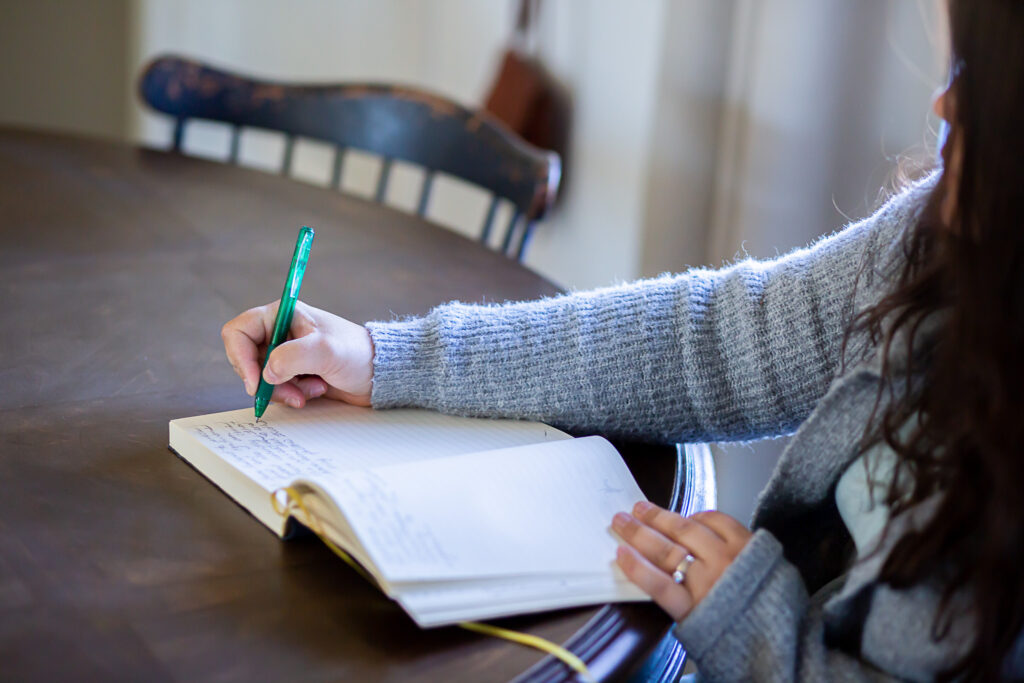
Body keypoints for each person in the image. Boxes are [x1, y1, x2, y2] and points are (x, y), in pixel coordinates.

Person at [221, 0, 1023, 678]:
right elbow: (704, 342)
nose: (943, 108)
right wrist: (385, 357)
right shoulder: (935, 240)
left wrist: (762, 633)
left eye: (977, 86)